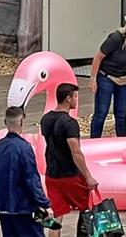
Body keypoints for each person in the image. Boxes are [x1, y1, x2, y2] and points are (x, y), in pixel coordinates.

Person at [40, 82, 97, 233]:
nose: (77, 100)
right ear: (68, 98)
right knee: (86, 208)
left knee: (56, 216)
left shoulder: (45, 119)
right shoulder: (70, 123)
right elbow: (76, 152)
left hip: (52, 174)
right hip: (70, 175)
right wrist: (88, 176)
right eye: (76, 96)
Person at [0, 107, 52, 237]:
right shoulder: (24, 148)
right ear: (22, 122)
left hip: (3, 205)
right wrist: (44, 203)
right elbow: (31, 179)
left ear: (5, 122)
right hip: (23, 206)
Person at [89, 14, 126, 138]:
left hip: (125, 78)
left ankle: (122, 140)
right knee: (101, 112)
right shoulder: (116, 38)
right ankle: (94, 140)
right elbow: (98, 57)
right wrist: (93, 79)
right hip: (107, 76)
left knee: (121, 114)